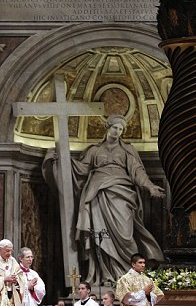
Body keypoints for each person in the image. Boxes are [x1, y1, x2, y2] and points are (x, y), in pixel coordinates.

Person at [45, 114, 165, 286]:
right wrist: (63, 159)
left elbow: (138, 172)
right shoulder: (94, 150)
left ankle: (128, 275)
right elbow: (81, 170)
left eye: (121, 129)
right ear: (108, 127)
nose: (118, 131)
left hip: (121, 194)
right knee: (99, 237)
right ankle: (104, 275)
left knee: (125, 235)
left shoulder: (127, 150)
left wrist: (151, 187)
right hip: (97, 195)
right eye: (115, 127)